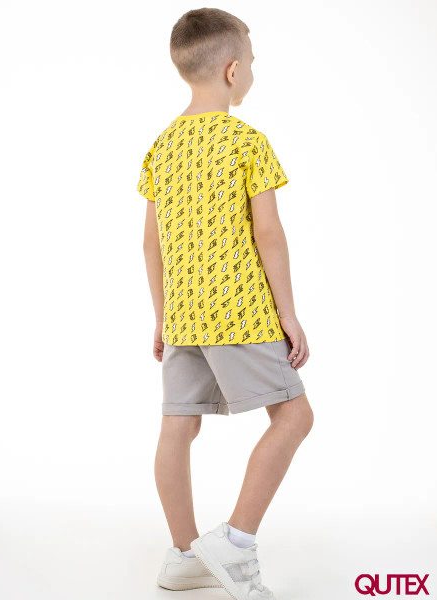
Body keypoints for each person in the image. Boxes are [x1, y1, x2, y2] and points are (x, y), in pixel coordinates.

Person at [138, 8, 314, 600]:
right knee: (295, 417)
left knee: (177, 425)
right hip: (239, 309)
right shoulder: (246, 142)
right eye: (253, 65)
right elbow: (269, 235)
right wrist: (287, 314)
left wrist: (163, 316)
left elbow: (151, 243)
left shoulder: (162, 146)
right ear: (233, 71)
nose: (253, 74)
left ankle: (184, 556)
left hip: (184, 313)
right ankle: (235, 543)